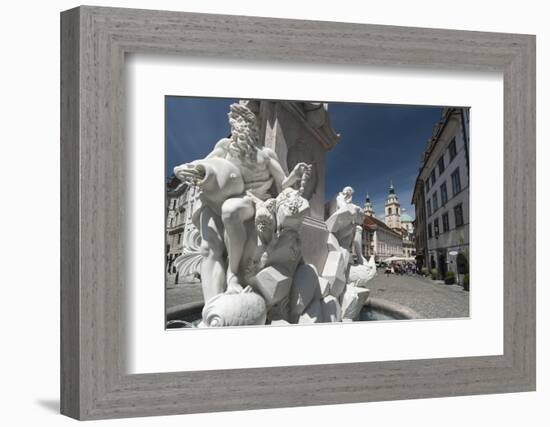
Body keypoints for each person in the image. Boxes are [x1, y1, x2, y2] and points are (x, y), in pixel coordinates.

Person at [174, 102, 310, 302]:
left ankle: (233, 274)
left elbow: (283, 183)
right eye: (232, 123)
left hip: (253, 201)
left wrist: (295, 175)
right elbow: (205, 165)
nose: (234, 127)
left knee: (231, 210)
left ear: (250, 125)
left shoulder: (266, 154)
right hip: (219, 200)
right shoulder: (225, 147)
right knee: (208, 247)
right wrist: (181, 169)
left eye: (238, 121)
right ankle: (212, 308)